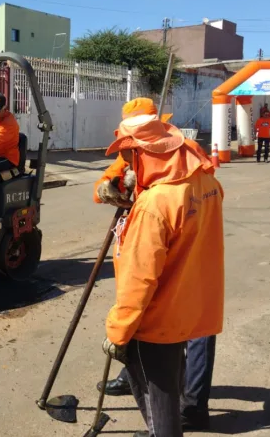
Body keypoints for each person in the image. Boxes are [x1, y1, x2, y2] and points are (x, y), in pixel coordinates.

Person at [94, 100, 222, 433]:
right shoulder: (204, 181)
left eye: (129, 154)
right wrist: (117, 190)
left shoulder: (154, 205)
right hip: (190, 300)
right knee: (168, 385)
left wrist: (119, 331)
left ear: (143, 150)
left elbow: (140, 278)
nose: (125, 161)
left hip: (158, 318)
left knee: (159, 404)